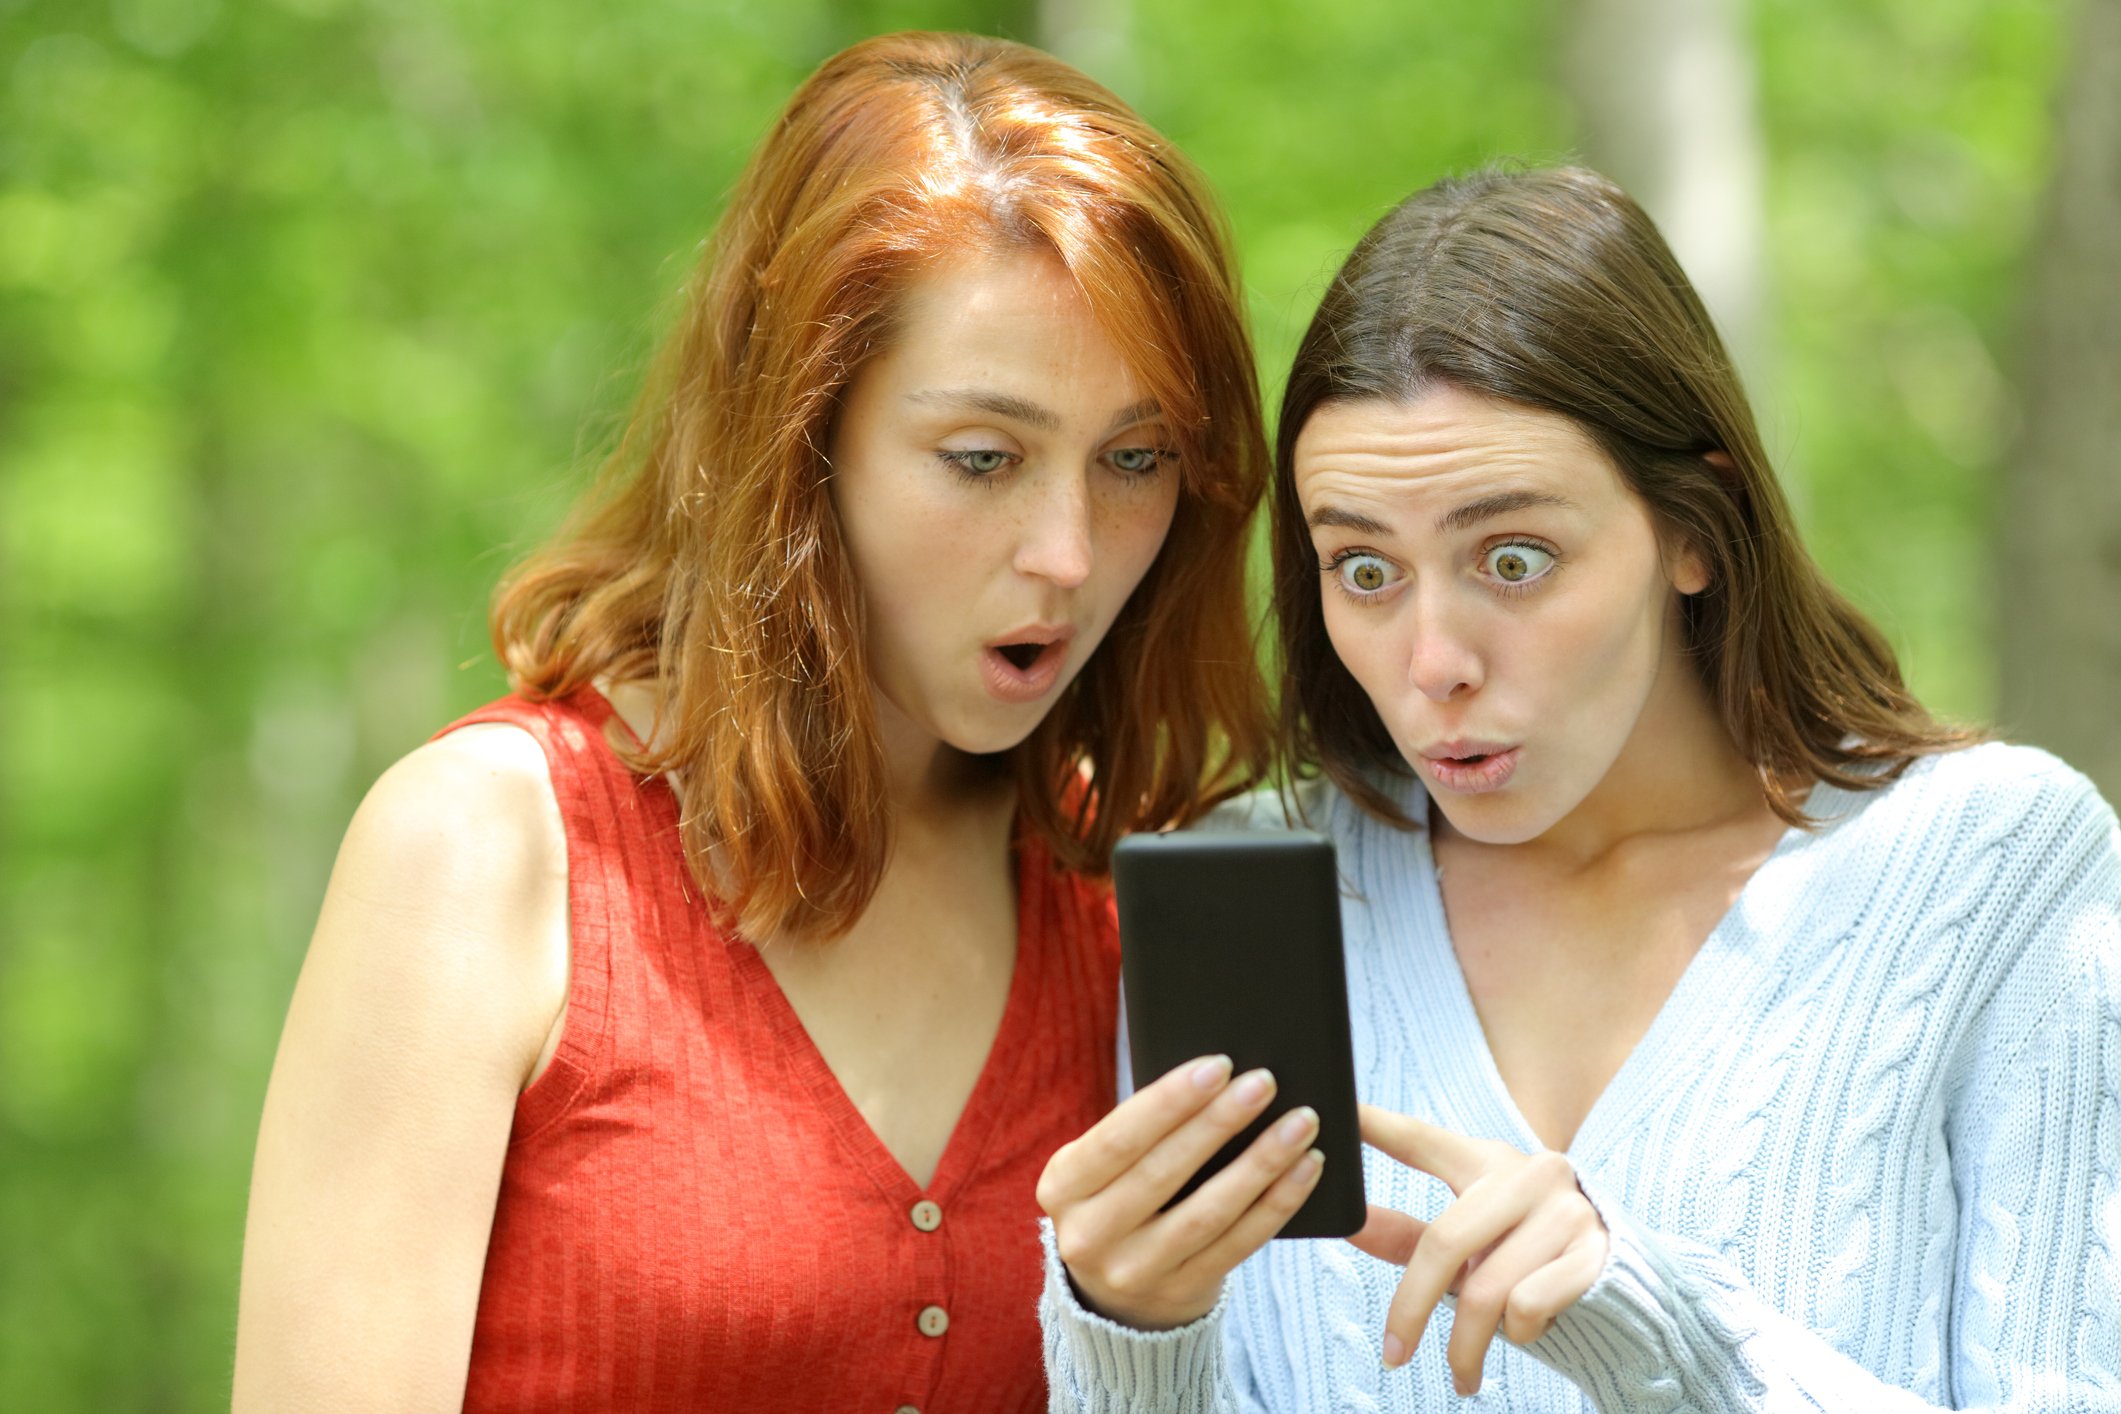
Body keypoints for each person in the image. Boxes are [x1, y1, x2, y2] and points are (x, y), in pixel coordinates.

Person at [231, 32, 1274, 1413]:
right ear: (800, 445)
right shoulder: (484, 854)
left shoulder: (1136, 888)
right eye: (983, 458)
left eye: (1135, 461)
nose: (1069, 552)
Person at [1037, 165, 2121, 1411]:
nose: (1434, 662)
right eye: (1366, 569)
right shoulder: (1258, 904)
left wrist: (1665, 1328)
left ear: (1694, 528)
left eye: (1513, 556)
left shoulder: (1990, 869)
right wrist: (1131, 1326)